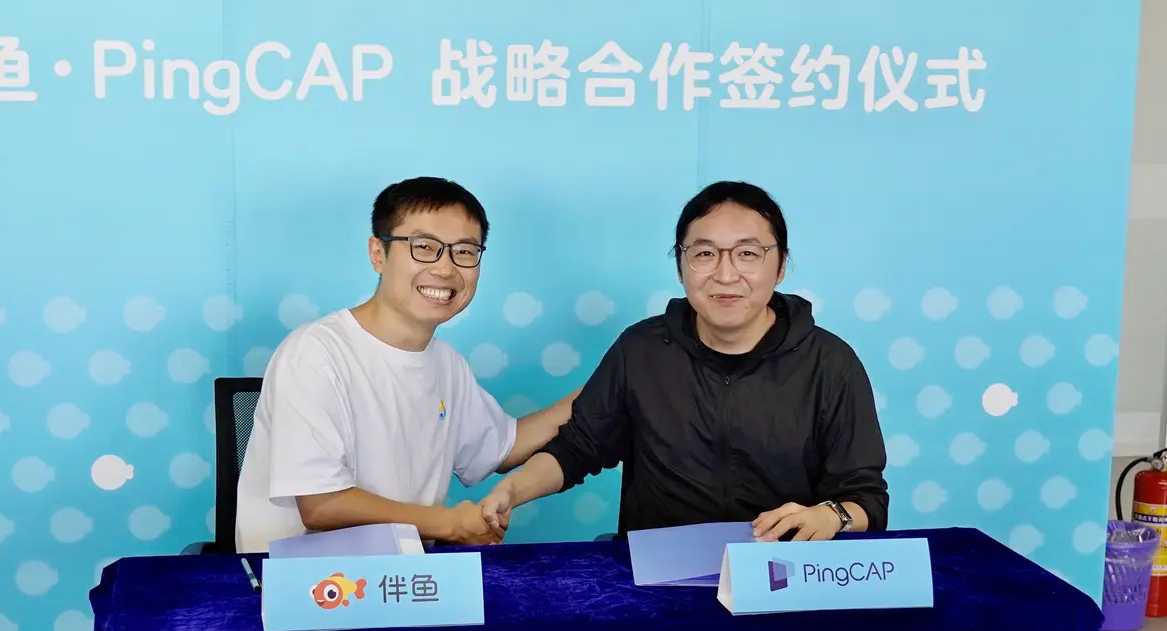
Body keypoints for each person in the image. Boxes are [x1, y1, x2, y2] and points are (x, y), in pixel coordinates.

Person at [479, 180, 888, 543]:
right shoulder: (641, 350)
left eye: (748, 253)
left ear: (780, 266)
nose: (725, 275)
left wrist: (831, 515)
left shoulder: (830, 363)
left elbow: (866, 498)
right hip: (658, 574)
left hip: (780, 572)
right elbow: (578, 447)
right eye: (705, 253)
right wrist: (512, 491)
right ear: (680, 266)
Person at [234, 176, 578, 552]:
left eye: (464, 251)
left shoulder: (447, 363)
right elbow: (321, 505)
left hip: (407, 577)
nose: (445, 269)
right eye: (424, 247)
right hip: (305, 579)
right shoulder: (316, 353)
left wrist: (607, 389)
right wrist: (450, 524)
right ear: (377, 254)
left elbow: (503, 448)